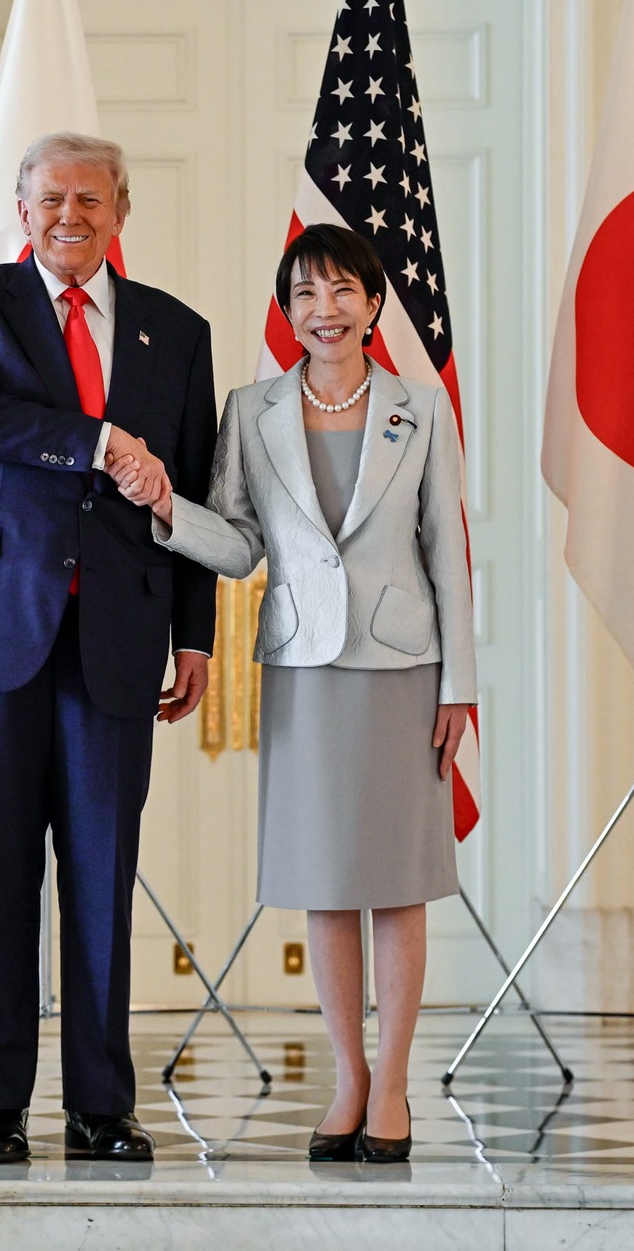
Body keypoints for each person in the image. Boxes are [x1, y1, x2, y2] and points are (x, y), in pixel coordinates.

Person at [112, 223, 474, 1164]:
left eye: (343, 290)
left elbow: (448, 551)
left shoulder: (422, 406)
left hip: (403, 672)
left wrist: (460, 686)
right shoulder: (252, 409)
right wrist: (166, 506)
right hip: (305, 672)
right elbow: (240, 545)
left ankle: (392, 1085)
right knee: (325, 881)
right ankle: (348, 1078)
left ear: (373, 303)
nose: (325, 309)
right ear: (287, 309)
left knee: (398, 883)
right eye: (306, 293)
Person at [0, 132, 218, 1164]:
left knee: (102, 875)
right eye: (51, 200)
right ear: (22, 210)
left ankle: (100, 1106)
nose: (69, 216)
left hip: (117, 632)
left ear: (119, 212)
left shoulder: (177, 330)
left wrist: (196, 635)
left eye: (90, 199)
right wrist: (100, 442)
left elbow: (190, 488)